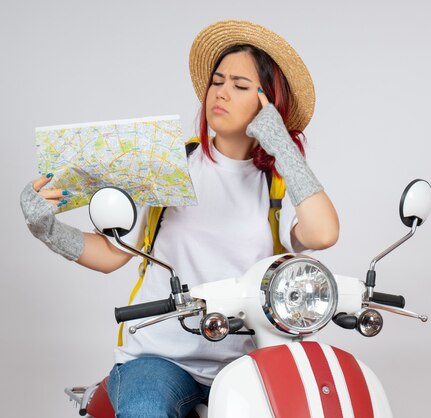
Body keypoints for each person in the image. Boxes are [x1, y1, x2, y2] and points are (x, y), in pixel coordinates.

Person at [20, 20, 339, 417]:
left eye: (240, 86)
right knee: (147, 410)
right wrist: (47, 229)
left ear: (269, 103)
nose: (221, 92)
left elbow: (322, 234)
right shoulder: (171, 163)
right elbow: (114, 254)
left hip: (247, 360)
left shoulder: (278, 183)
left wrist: (281, 146)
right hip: (161, 358)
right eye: (217, 81)